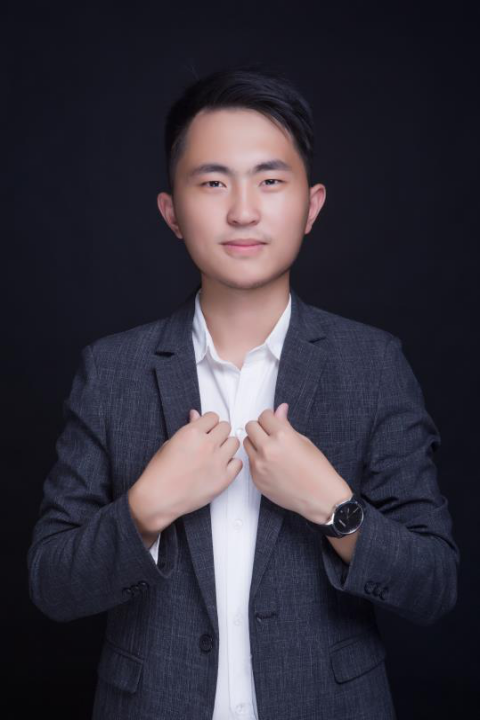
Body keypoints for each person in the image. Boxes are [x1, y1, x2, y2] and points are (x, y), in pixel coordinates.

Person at [27, 63, 460, 720]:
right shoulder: (111, 370)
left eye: (269, 180)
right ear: (171, 212)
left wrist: (334, 507)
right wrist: (144, 508)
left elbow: (434, 586)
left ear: (311, 205)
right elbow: (51, 584)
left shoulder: (372, 363)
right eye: (212, 182)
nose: (242, 211)